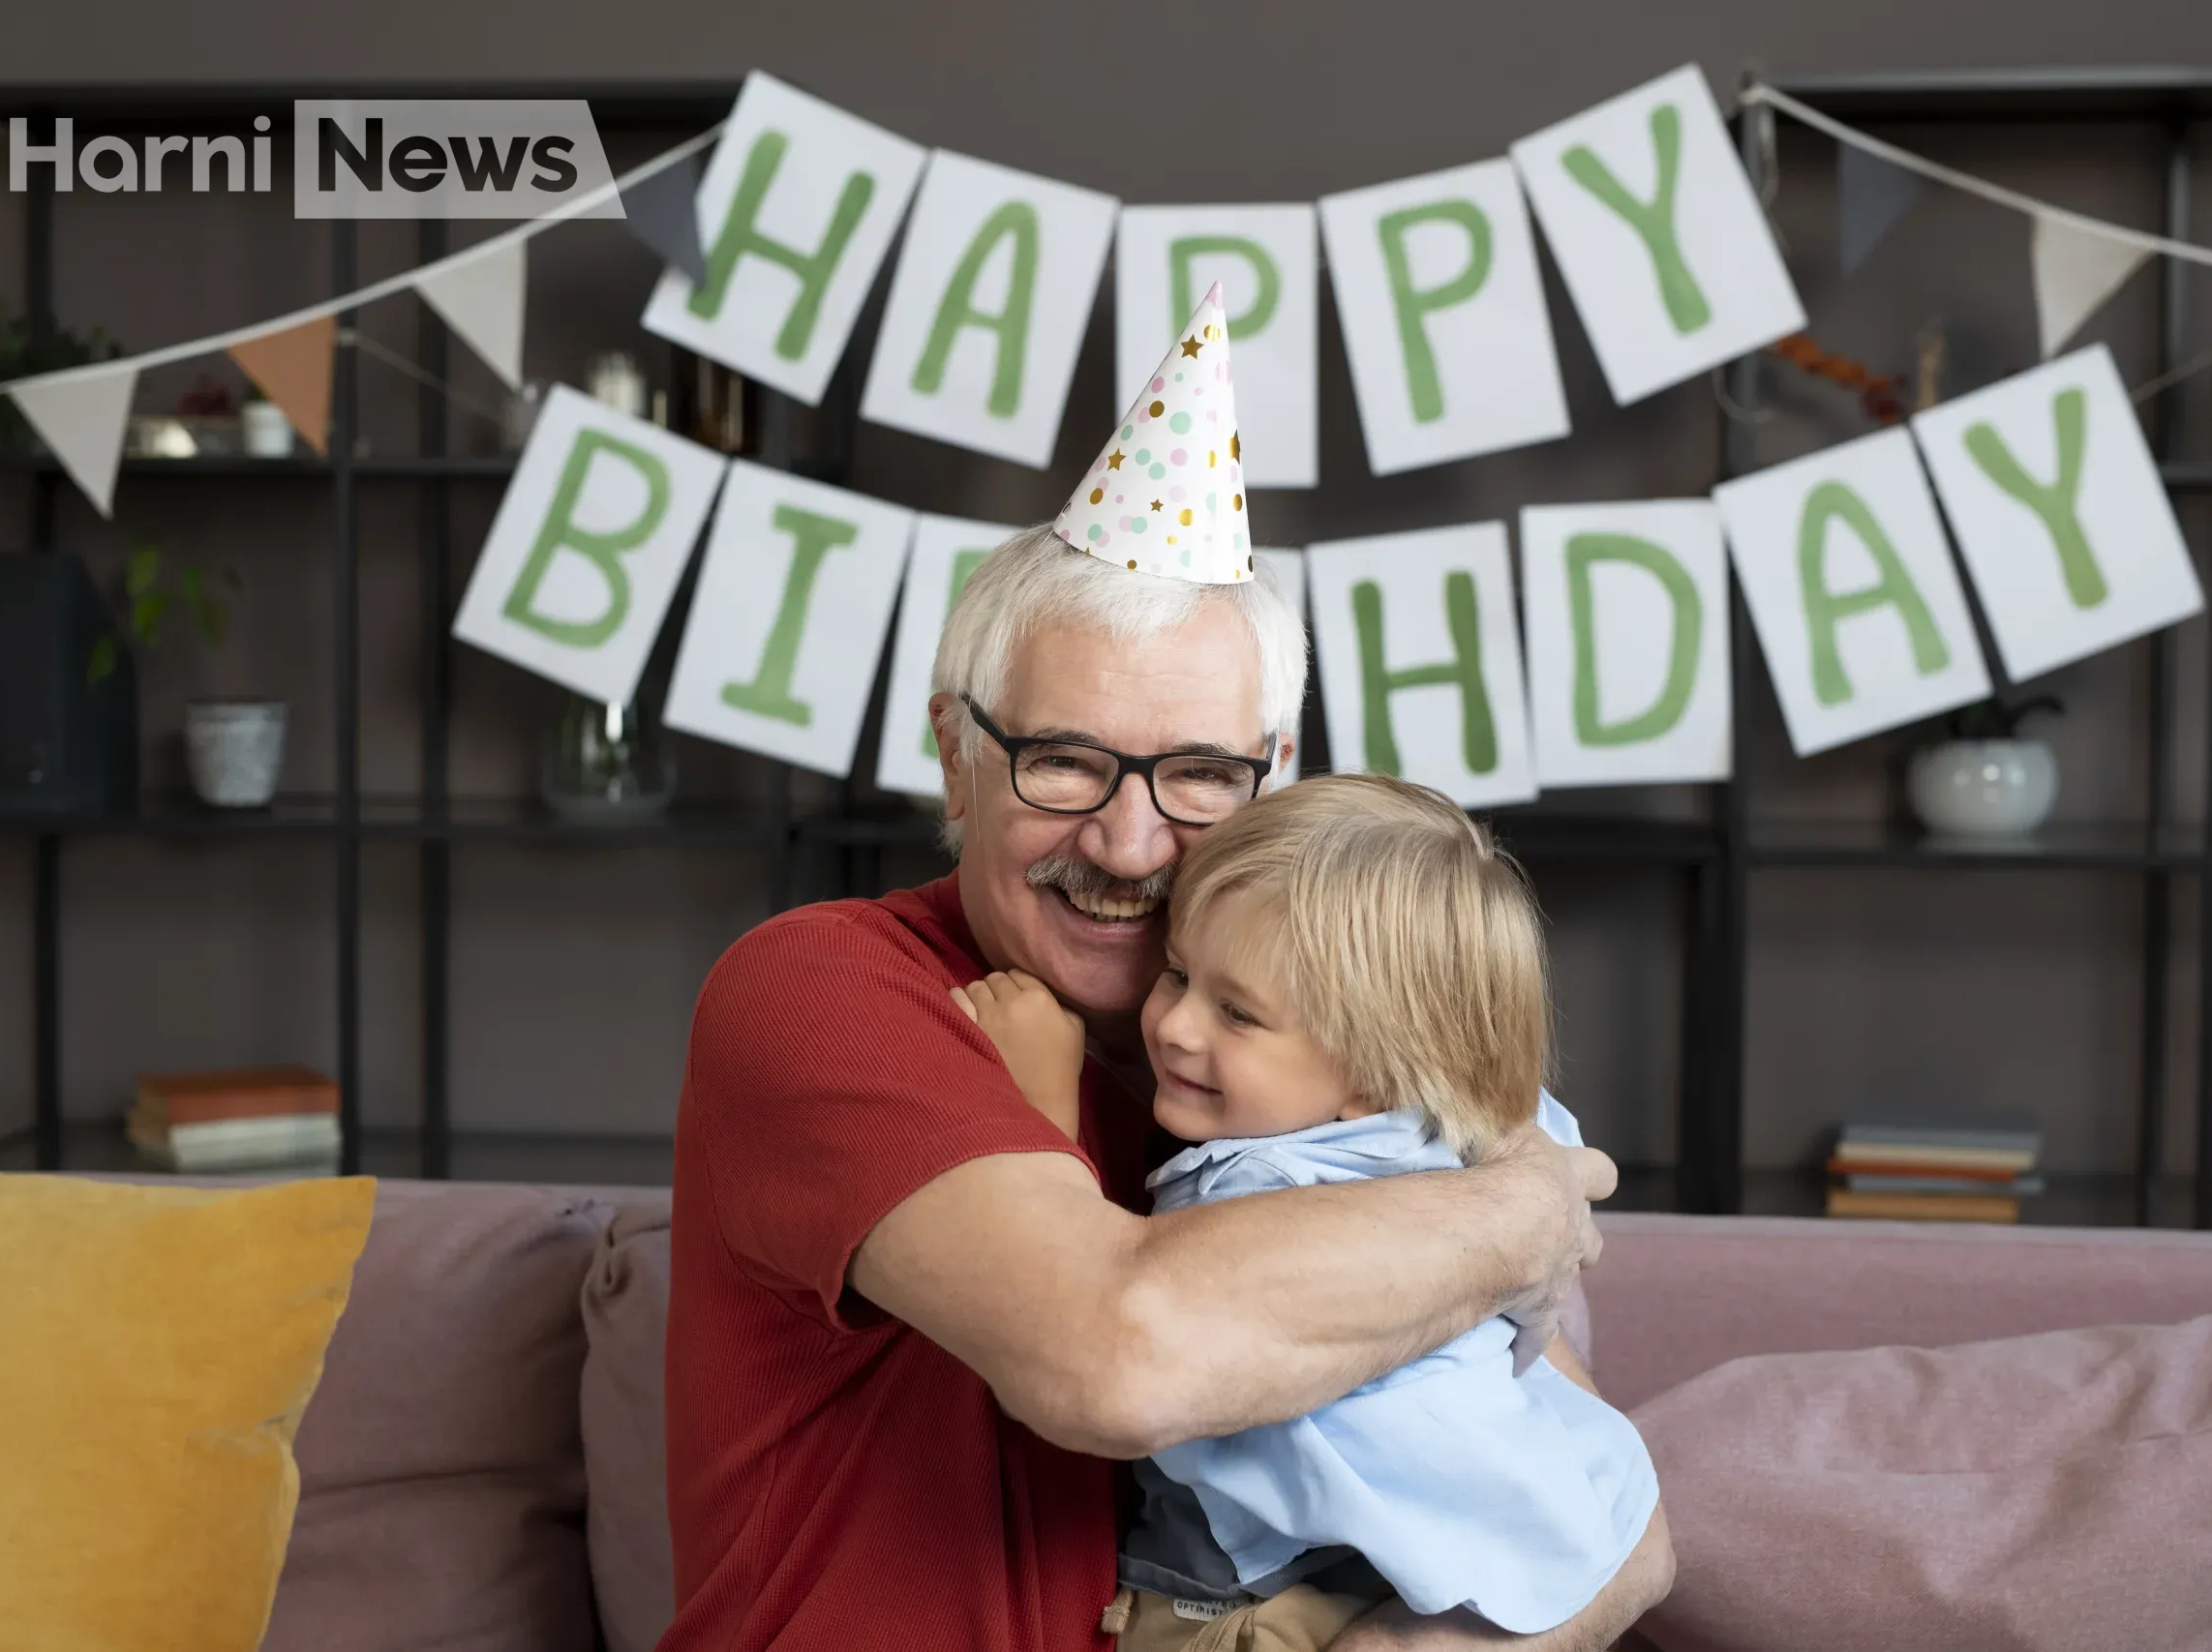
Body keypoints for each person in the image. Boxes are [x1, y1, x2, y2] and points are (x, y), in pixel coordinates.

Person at [658, 286, 1654, 1652]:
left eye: (1197, 773)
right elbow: (1114, 1357)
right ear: (956, 749)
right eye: (1064, 759)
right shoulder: (821, 991)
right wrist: (1530, 1199)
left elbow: (1612, 1516)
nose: (1128, 842)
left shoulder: (1283, 1079)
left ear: (1275, 778)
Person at [954, 773, 1669, 1651]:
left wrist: (1039, 1111)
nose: (1176, 1025)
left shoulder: (1253, 1191)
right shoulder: (1476, 1139)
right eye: (1177, 972)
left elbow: (1085, 1315)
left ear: (1371, 1075)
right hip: (1440, 1574)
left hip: (1241, 1608)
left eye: (1237, 1014)